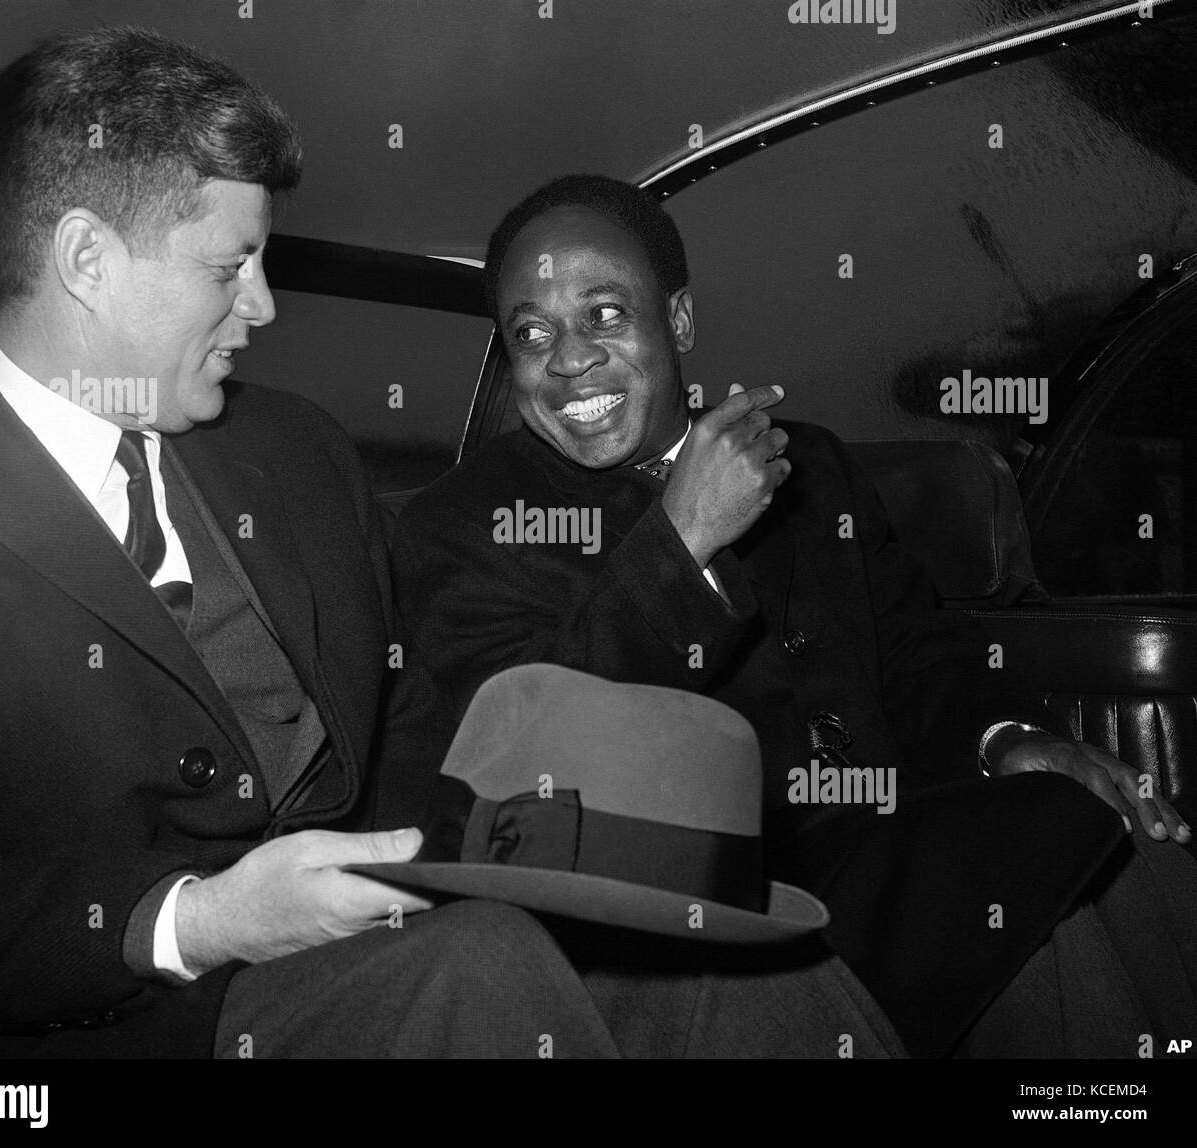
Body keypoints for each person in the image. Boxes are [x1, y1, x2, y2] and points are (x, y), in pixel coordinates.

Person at [0, 28, 910, 1061]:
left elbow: (429, 738)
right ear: (84, 260)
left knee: (719, 951)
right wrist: (198, 917)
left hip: (394, 928)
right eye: (229, 267)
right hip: (131, 1015)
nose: (263, 305)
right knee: (476, 964)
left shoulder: (293, 454)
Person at [391, 173, 1197, 1058]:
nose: (568, 358)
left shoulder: (809, 465)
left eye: (605, 315)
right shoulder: (465, 524)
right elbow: (529, 766)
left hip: (909, 857)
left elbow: (920, 654)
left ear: (682, 321)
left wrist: (1009, 740)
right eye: (530, 334)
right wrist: (681, 538)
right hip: (708, 924)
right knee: (1050, 857)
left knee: (1111, 837)